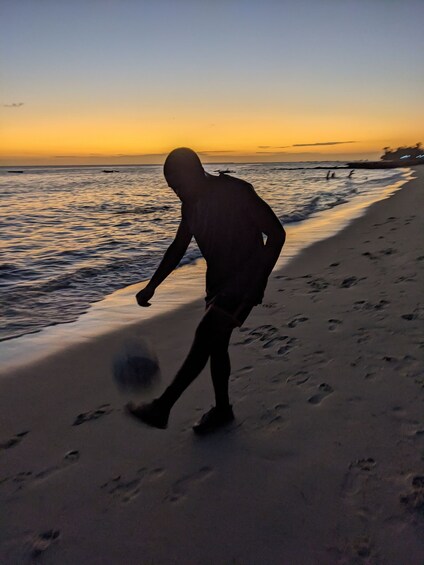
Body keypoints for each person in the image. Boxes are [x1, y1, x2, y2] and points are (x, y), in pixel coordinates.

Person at [127, 148, 286, 434]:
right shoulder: (190, 205)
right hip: (217, 283)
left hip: (244, 282)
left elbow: (276, 233)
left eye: (179, 185)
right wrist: (151, 286)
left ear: (197, 173)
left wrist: (258, 281)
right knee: (216, 345)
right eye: (172, 188)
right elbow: (178, 247)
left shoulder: (236, 191)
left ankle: (163, 406)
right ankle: (223, 410)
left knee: (205, 336)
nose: (177, 192)